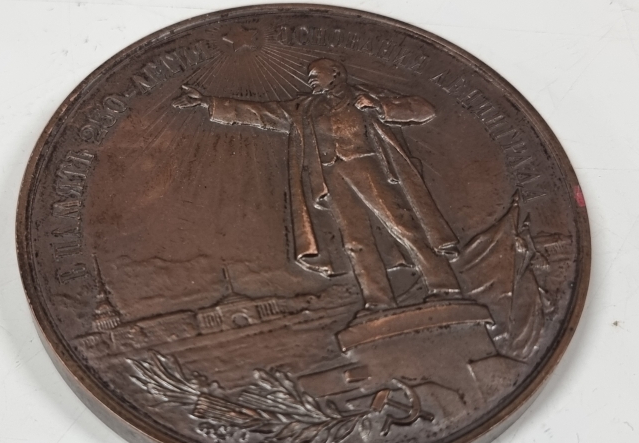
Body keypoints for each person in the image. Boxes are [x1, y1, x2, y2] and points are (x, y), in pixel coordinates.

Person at [172, 58, 461, 312]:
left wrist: (381, 106)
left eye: (315, 74)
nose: (309, 79)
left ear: (336, 73)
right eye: (309, 76)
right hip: (331, 177)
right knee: (355, 241)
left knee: (403, 225)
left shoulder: (366, 95)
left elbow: (424, 110)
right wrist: (207, 101)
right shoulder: (305, 108)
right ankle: (378, 301)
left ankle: (443, 285)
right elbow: (260, 113)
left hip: (369, 167)